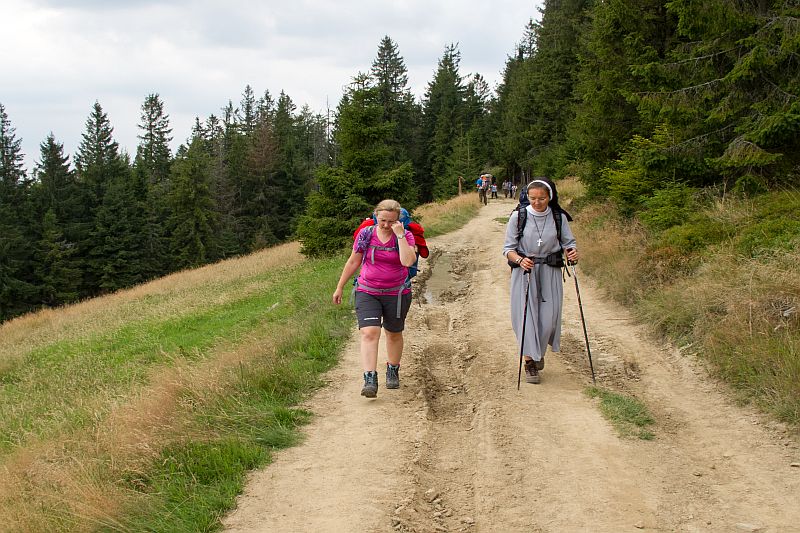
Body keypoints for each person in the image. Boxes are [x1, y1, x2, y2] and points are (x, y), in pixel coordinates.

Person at [333, 199, 417, 398]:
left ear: (398, 221)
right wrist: (339, 287)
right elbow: (354, 261)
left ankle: (393, 369)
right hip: (367, 291)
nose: (386, 225)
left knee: (393, 333)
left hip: (396, 293)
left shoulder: (406, 236)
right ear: (375, 217)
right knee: (369, 332)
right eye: (382, 221)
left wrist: (400, 236)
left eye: (391, 221)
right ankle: (370, 378)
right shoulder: (366, 234)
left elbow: (407, 261)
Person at [503, 178, 578, 384]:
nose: (536, 202)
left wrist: (572, 254)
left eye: (542, 198)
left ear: (550, 197)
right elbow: (508, 249)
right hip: (525, 273)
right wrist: (519, 260)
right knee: (526, 317)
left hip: (550, 271)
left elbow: (569, 243)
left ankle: (538, 351)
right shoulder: (518, 217)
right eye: (532, 198)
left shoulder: (558, 217)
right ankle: (529, 361)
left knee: (549, 318)